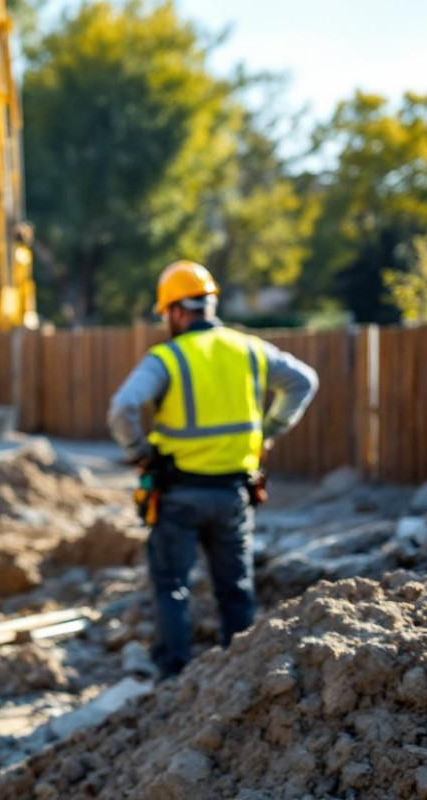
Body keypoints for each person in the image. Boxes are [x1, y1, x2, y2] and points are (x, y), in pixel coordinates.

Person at [108, 261, 318, 679]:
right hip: (234, 494)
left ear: (176, 311)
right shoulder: (250, 349)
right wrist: (269, 431)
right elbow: (304, 382)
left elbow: (123, 408)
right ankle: (241, 679)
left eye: (165, 314)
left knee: (171, 586)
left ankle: (173, 679)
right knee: (235, 589)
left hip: (178, 493)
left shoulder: (167, 358)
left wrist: (140, 453)